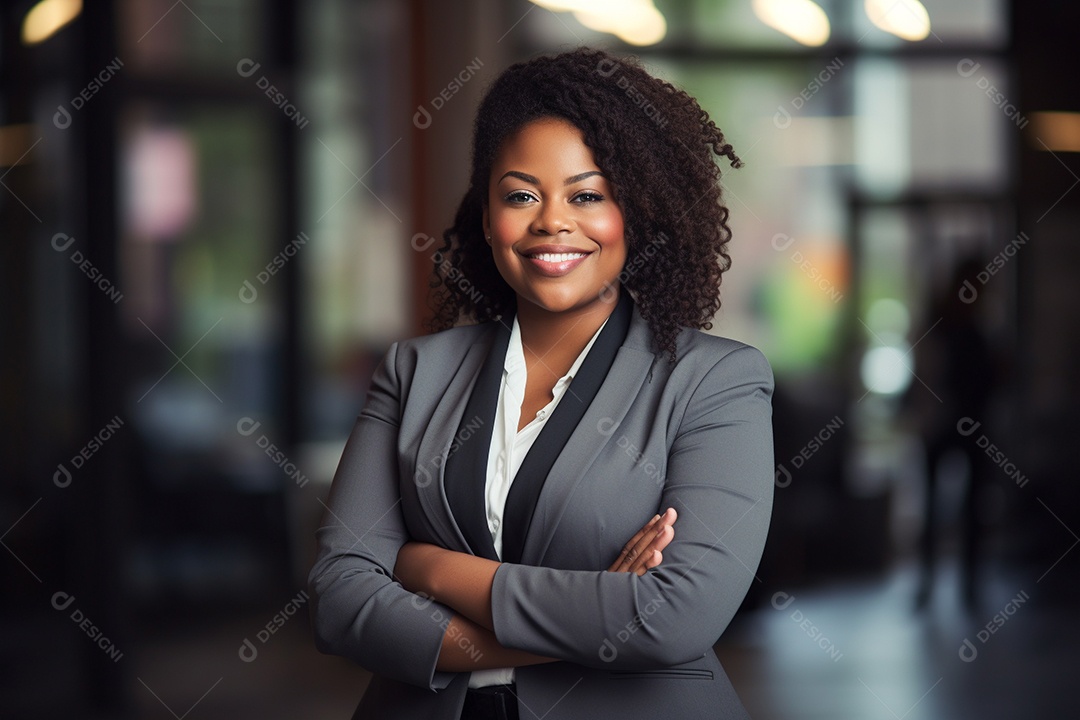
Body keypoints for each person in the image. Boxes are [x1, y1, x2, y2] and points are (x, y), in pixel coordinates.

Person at [308, 47, 774, 719]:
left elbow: (673, 616)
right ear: (487, 215)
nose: (553, 221)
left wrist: (431, 570)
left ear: (636, 214)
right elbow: (338, 597)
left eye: (587, 195)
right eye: (521, 195)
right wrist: (570, 625)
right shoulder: (414, 372)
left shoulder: (715, 382)